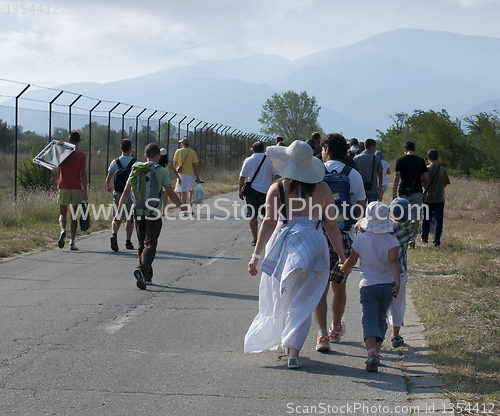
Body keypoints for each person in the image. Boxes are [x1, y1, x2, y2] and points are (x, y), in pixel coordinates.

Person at [245, 140, 346, 369]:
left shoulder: (277, 189)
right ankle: (293, 352)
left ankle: (282, 338)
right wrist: (341, 256)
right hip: (315, 246)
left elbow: (269, 223)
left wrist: (256, 255)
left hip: (284, 245)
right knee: (305, 300)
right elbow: (331, 226)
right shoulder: (323, 189)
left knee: (280, 296)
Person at [314, 133, 366, 352]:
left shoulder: (314, 173)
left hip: (318, 233)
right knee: (339, 284)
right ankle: (336, 327)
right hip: (343, 235)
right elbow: (362, 207)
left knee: (319, 287)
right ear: (346, 153)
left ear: (325, 150)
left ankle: (322, 334)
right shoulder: (352, 174)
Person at [114, 143, 186, 289]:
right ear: (158, 155)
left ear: (145, 156)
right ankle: (141, 269)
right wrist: (181, 205)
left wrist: (118, 212)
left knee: (142, 244)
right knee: (151, 243)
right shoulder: (162, 171)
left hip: (137, 211)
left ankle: (146, 277)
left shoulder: (136, 169)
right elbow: (170, 193)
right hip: (153, 212)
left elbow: (126, 192)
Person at [340, 201, 400, 372]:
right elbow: (394, 262)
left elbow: (351, 261)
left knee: (368, 319)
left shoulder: (360, 240)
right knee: (381, 318)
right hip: (387, 286)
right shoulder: (392, 241)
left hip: (368, 286)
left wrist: (343, 268)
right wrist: (397, 282)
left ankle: (371, 352)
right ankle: (377, 351)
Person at [387, 198, 416, 348]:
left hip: (384, 272)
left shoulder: (386, 227)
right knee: (398, 306)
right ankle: (395, 335)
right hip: (401, 272)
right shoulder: (408, 229)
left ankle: (381, 328)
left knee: (383, 304)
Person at [238, 141, 278, 246]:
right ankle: (265, 238)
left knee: (252, 215)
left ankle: (255, 239)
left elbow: (242, 177)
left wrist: (240, 190)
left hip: (252, 191)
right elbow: (276, 176)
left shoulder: (248, 160)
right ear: (263, 149)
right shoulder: (269, 160)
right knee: (266, 215)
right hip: (267, 191)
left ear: (253, 149)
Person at [392, 141, 429, 245]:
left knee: (402, 216)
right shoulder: (420, 161)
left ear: (404, 150)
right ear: (414, 150)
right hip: (417, 191)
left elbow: (396, 177)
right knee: (415, 216)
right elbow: (426, 177)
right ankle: (412, 239)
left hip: (403, 191)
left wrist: (394, 192)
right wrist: (421, 181)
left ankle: (402, 236)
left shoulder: (400, 161)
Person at [56, 131, 87, 251]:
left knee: (62, 214)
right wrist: (85, 191)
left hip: (63, 185)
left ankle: (63, 229)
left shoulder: (62, 153)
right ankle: (72, 242)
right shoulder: (81, 155)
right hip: (76, 187)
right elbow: (83, 174)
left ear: (68, 140)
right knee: (74, 215)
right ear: (79, 141)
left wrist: (58, 146)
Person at [105, 139, 137, 252]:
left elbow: (108, 178)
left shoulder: (115, 162)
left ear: (120, 148)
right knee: (129, 217)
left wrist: (108, 186)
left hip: (118, 192)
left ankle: (114, 234)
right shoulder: (135, 163)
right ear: (130, 148)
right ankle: (128, 241)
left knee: (117, 215)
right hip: (129, 192)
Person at [421, 149, 450, 247]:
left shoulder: (426, 169)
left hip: (428, 197)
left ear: (428, 158)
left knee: (426, 219)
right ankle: (436, 240)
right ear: (437, 157)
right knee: (438, 220)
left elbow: (423, 183)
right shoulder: (442, 170)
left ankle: (424, 238)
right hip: (439, 198)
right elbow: (445, 184)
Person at [173, 137, 201, 211]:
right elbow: (194, 166)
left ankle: (184, 210)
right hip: (190, 174)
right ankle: (190, 208)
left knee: (183, 192)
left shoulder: (178, 151)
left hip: (181, 174)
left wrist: (176, 175)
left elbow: (175, 164)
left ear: (183, 144)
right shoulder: (192, 152)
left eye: (181, 143)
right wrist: (197, 177)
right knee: (190, 191)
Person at [354, 138, 383, 203]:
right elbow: (380, 176)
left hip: (360, 189)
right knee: (372, 210)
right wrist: (379, 188)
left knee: (361, 210)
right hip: (373, 189)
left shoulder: (356, 158)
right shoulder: (376, 159)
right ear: (372, 147)